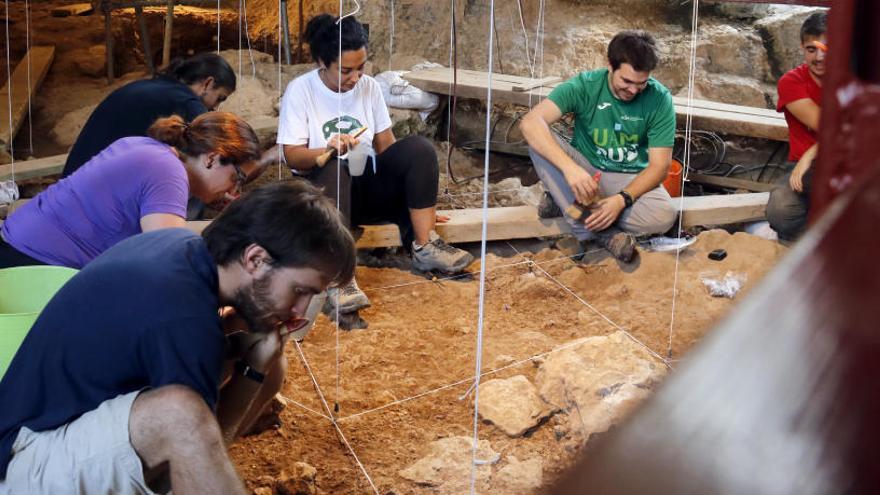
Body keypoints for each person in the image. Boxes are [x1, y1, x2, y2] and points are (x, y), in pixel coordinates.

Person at [0, 180, 356, 494]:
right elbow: (195, 438)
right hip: (26, 463)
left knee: (269, 365)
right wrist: (252, 372)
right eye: (299, 290)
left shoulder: (182, 247)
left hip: (53, 434)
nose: (300, 309)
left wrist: (247, 352)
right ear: (256, 259)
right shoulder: (183, 314)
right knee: (180, 417)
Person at [277, 13, 474, 314]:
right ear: (321, 62)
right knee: (333, 166)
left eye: (360, 68)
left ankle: (424, 245)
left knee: (419, 149)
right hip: (322, 197)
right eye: (345, 71)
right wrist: (326, 149)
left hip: (364, 190)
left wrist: (417, 200)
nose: (355, 78)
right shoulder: (300, 90)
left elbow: (388, 149)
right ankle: (339, 277)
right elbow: (292, 155)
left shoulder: (368, 87)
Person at [0, 112, 260, 269]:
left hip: (18, 243)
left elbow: (173, 230)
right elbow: (168, 253)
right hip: (35, 264)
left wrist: (230, 227)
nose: (234, 191)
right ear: (212, 159)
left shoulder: (146, 147)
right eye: (237, 178)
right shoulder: (169, 172)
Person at [520, 30, 677, 263]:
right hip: (585, 173)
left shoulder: (659, 99)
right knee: (538, 142)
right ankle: (603, 233)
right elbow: (530, 122)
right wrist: (570, 169)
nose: (634, 90)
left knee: (663, 216)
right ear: (610, 66)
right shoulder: (585, 86)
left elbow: (659, 167)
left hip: (628, 179)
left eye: (641, 83)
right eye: (626, 81)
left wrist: (621, 200)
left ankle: (565, 201)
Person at [766, 11, 826, 243]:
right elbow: (831, 127)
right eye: (812, 49)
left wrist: (811, 152)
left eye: (826, 50)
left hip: (848, 164)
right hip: (807, 170)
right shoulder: (791, 82)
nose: (819, 57)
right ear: (802, 47)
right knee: (781, 211)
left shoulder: (850, 79)